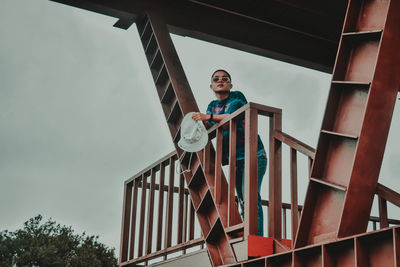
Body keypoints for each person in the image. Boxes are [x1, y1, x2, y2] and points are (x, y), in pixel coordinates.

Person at [191, 69, 267, 236]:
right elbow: (209, 126)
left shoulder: (237, 97)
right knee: (242, 199)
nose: (220, 81)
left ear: (230, 85)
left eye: (225, 79)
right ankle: (248, 235)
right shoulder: (212, 106)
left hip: (254, 154)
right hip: (235, 159)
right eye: (216, 79)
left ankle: (256, 237)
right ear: (211, 85)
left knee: (250, 197)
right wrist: (195, 126)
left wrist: (206, 117)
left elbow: (230, 116)